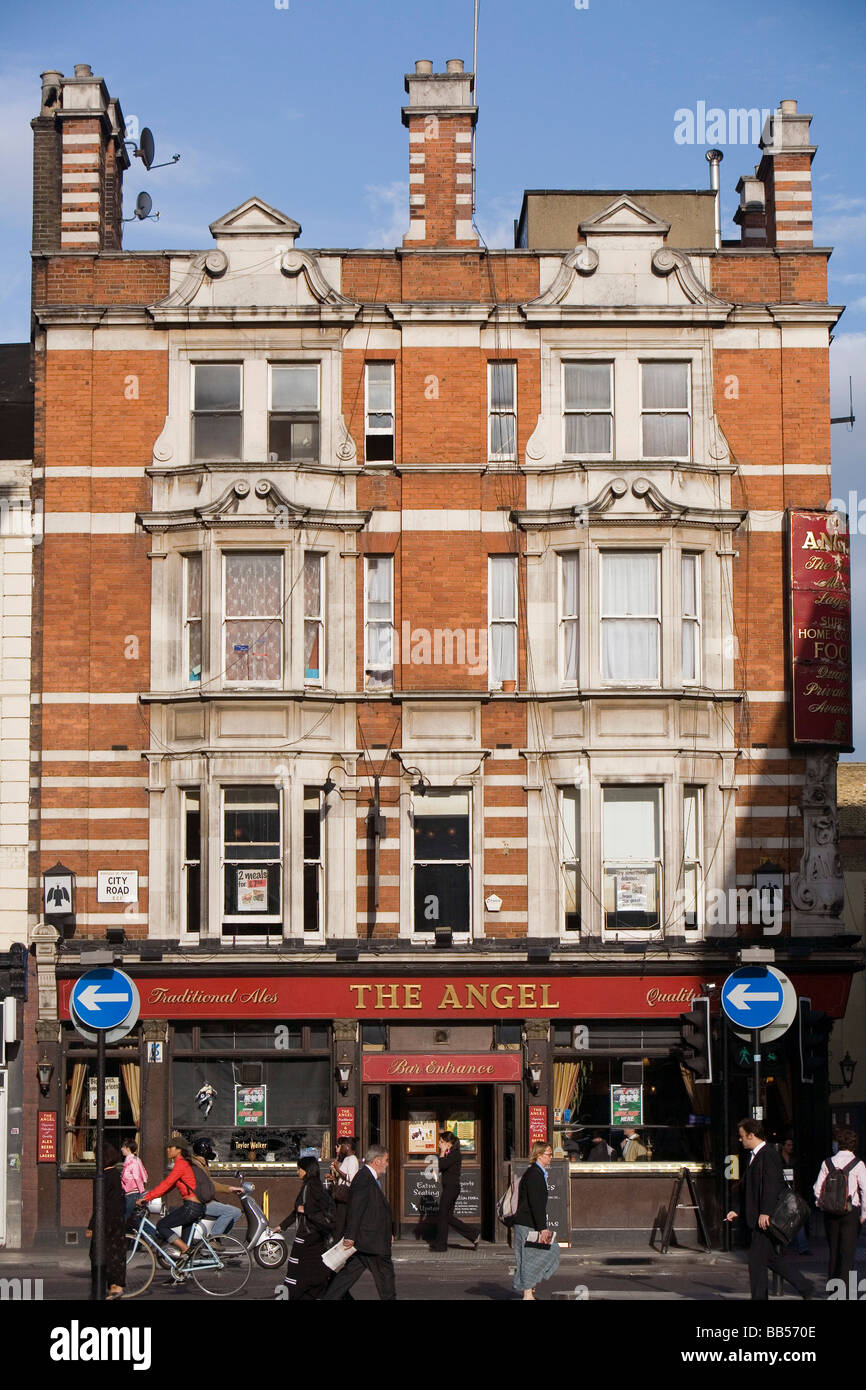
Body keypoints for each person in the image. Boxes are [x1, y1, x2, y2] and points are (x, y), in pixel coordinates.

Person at [725, 1118, 813, 1301]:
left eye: (742, 1136)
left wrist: (765, 1212)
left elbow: (772, 1186)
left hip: (764, 1219)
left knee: (756, 1263)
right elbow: (752, 1189)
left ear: (751, 1135)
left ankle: (763, 1297)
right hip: (757, 1217)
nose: (740, 1140)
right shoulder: (754, 1156)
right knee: (771, 1259)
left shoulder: (769, 1154)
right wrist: (739, 1211)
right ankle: (805, 1286)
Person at [323, 1144, 397, 1300]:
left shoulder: (369, 1178)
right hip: (372, 1241)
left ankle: (329, 1296)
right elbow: (356, 1208)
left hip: (367, 1241)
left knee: (347, 1276)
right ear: (377, 1161)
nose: (388, 1164)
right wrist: (350, 1236)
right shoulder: (364, 1178)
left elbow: (374, 1210)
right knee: (386, 1280)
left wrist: (389, 1231)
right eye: (386, 1160)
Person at [136, 1137, 206, 1258]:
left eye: (170, 1147)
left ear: (179, 1150)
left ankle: (185, 1249)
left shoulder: (181, 1164)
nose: (167, 1150)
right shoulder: (183, 1164)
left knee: (162, 1225)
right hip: (195, 1207)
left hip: (192, 1207)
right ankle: (182, 1273)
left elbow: (166, 1184)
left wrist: (147, 1198)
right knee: (184, 1245)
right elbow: (169, 1187)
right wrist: (151, 1196)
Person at [813, 1126, 866, 1282]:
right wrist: (864, 1214)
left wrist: (822, 1205)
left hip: (830, 1213)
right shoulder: (858, 1164)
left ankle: (833, 1290)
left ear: (838, 1143)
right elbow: (865, 1191)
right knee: (847, 1254)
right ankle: (844, 1293)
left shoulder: (827, 1163)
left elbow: (817, 1189)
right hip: (850, 1212)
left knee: (834, 1253)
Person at [280, 1155, 336, 1300]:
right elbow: (298, 1210)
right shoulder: (312, 1185)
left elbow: (315, 1209)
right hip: (314, 1236)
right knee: (315, 1272)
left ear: (306, 1170)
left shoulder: (311, 1187)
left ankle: (290, 1296)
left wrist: (306, 1211)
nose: (297, 1172)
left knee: (296, 1270)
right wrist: (282, 1226)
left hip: (308, 1236)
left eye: (299, 1169)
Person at [512, 1140, 561, 1301]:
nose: (551, 1157)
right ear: (539, 1155)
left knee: (533, 1256)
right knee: (535, 1256)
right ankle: (527, 1294)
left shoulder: (537, 1173)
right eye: (548, 1154)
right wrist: (543, 1228)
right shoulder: (534, 1174)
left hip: (528, 1223)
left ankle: (529, 1290)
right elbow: (535, 1203)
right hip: (527, 1224)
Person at [86, 1142, 126, 1300]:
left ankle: (108, 1287)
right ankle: (115, 1285)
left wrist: (92, 1225)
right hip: (117, 1219)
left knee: (98, 1253)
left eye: (97, 1156)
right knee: (115, 1253)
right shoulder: (116, 1174)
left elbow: (100, 1205)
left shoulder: (102, 1177)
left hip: (106, 1221)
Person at [431, 1131, 480, 1252]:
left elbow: (441, 1166)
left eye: (442, 1142)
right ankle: (473, 1235)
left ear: (449, 1143)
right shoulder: (450, 1153)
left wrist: (442, 1152)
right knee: (447, 1216)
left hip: (452, 1188)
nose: (439, 1144)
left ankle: (441, 1245)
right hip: (449, 1187)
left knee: (443, 1215)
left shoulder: (455, 1154)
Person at [190, 1137, 244, 1236]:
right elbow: (210, 1185)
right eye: (210, 1148)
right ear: (204, 1150)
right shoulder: (196, 1166)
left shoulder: (202, 1164)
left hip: (204, 1201)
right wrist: (230, 1189)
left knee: (235, 1213)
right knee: (233, 1212)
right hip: (200, 1203)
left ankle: (217, 1237)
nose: (212, 1151)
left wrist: (230, 1188)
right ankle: (214, 1238)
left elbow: (209, 1183)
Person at [330, 1137, 360, 1242]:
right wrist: (334, 1178)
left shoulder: (352, 1159)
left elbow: (351, 1178)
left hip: (345, 1196)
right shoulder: (347, 1159)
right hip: (341, 1196)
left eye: (341, 1146)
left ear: (347, 1147)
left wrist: (337, 1168)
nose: (339, 1148)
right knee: (339, 1221)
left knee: (341, 1223)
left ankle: (337, 1242)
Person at [120, 1139, 148, 1224]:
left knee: (126, 1217)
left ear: (128, 1148)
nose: (121, 1149)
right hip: (131, 1193)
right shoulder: (132, 1160)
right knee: (136, 1219)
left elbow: (137, 1177)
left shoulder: (133, 1161)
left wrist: (142, 1192)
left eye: (123, 1147)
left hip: (133, 1194)